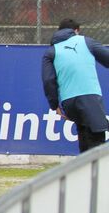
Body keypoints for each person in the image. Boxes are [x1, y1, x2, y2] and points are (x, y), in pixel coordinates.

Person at [42, 18, 109, 153]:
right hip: (89, 97)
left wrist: (54, 105)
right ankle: (96, 171)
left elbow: (48, 80)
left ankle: (84, 170)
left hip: (68, 102)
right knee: (97, 137)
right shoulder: (86, 41)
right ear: (76, 31)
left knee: (84, 133)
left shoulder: (51, 51)